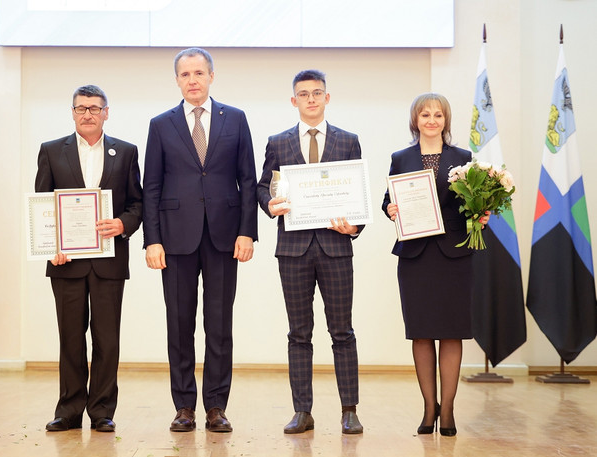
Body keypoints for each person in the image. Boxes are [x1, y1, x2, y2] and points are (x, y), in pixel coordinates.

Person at [143, 48, 257, 433]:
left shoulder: (236, 119)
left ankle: (216, 407)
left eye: (199, 72)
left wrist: (247, 231)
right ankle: (184, 407)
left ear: (212, 76)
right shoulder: (161, 125)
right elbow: (151, 187)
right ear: (176, 80)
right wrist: (151, 240)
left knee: (219, 324)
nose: (192, 79)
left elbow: (247, 180)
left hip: (225, 236)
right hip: (174, 239)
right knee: (179, 324)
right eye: (185, 74)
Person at [257, 69, 364, 435]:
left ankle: (349, 410)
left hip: (336, 248)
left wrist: (355, 227)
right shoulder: (278, 142)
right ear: (294, 101)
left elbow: (358, 194)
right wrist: (269, 205)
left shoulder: (348, 141)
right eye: (304, 94)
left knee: (342, 332)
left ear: (327, 98)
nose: (311, 99)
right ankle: (302, 411)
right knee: (299, 333)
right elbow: (262, 187)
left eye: (317, 93)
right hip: (293, 250)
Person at [36, 84, 143, 433]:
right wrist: (53, 244)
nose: (87, 114)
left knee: (106, 339)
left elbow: (138, 205)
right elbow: (42, 206)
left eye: (94, 108)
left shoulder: (125, 152)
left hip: (109, 260)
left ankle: (101, 412)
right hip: (65, 262)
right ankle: (68, 411)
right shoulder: (52, 151)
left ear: (106, 113)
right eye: (81, 108)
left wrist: (122, 224)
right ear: (72, 113)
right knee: (70, 337)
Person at [382, 93, 489, 437]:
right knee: (422, 332)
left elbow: (475, 201)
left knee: (452, 332)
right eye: (425, 114)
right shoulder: (401, 158)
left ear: (446, 120)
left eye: (438, 114)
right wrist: (391, 210)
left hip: (455, 255)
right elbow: (388, 199)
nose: (431, 120)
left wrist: (481, 214)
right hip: (415, 256)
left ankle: (449, 410)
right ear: (415, 120)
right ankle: (429, 408)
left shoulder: (464, 157)